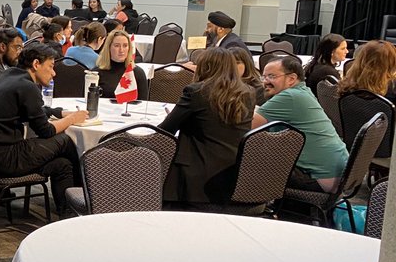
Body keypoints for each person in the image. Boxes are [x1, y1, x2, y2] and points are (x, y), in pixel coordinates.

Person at [0, 43, 87, 212]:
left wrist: (59, 113)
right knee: (66, 141)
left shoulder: (10, 75)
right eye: (51, 67)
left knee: (63, 164)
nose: (54, 73)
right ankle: (86, 196)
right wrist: (73, 118)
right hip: (6, 158)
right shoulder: (27, 86)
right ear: (36, 64)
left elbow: (32, 110)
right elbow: (46, 131)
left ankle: (67, 212)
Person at [157, 47, 256, 207]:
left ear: (205, 67)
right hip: (231, 172)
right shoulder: (248, 93)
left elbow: (166, 130)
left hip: (194, 173)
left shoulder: (197, 92)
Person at [254, 56, 348, 192]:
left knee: (251, 166)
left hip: (319, 180)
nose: (265, 82)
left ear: (291, 79)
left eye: (272, 76)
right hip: (338, 175)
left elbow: (248, 127)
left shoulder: (289, 97)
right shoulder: (303, 92)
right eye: (264, 77)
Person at [95, 29, 147, 99]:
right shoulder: (96, 73)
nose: (121, 50)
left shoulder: (138, 73)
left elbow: (142, 104)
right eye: (117, 46)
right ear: (109, 48)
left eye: (125, 46)